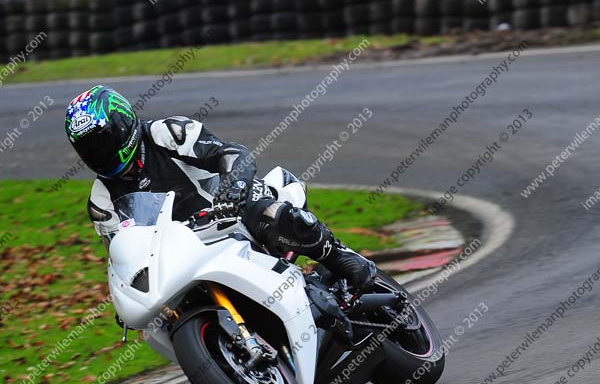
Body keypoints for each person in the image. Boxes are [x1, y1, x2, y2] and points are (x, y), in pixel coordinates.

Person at [65, 85, 376, 289]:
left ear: (123, 124)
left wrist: (232, 189)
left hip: (229, 213)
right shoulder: (101, 202)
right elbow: (123, 256)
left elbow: (232, 154)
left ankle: (338, 256)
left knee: (266, 212)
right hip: (182, 257)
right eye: (89, 149)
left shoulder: (166, 134)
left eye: (103, 142)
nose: (99, 154)